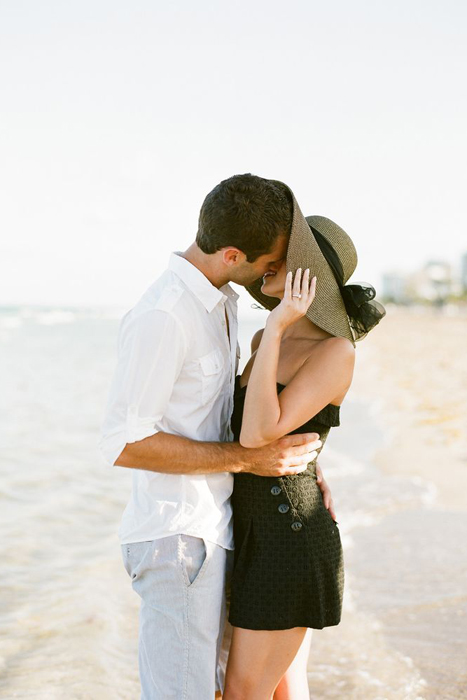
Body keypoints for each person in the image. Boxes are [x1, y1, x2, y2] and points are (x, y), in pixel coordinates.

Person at [98, 173, 336, 699]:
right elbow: (124, 442)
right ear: (232, 254)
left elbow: (231, 413)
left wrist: (310, 468)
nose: (275, 273)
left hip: (217, 528)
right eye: (270, 264)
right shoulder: (165, 315)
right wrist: (248, 461)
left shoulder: (221, 302)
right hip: (177, 540)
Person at [223, 183, 386, 700]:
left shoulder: (336, 351)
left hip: (289, 536)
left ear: (307, 275)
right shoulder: (264, 339)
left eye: (286, 256)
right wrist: (271, 333)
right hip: (252, 527)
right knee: (283, 690)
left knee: (244, 692)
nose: (270, 261)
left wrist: (274, 329)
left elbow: (254, 435)